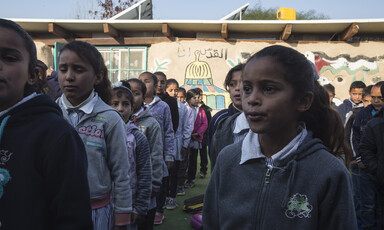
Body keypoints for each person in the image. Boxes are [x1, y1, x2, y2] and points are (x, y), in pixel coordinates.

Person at [203, 45, 356, 229]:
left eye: (268, 89)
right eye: (247, 88)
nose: (252, 99)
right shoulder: (228, 159)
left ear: (303, 101)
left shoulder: (329, 171)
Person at [0, 18, 92, 230]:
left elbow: (73, 218)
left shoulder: (56, 135)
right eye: (64, 69)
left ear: (33, 76)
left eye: (9, 58)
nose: (69, 77)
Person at [56, 41, 132, 230]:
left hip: (96, 211)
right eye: (63, 69)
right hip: (55, 210)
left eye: (78, 69)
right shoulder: (50, 113)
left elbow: (121, 172)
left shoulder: (110, 118)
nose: (69, 77)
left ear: (97, 77)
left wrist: (122, 217)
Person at [111, 82, 152, 230]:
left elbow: (145, 174)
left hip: (129, 206)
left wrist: (140, 207)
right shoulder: (100, 135)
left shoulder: (138, 138)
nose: (120, 109)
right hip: (104, 205)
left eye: (125, 104)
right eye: (114, 103)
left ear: (132, 108)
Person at [138, 72, 175, 225]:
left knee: (157, 182)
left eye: (147, 81)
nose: (143, 84)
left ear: (155, 85)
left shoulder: (163, 106)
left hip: (156, 154)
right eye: (140, 81)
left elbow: (168, 132)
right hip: (137, 155)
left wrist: (170, 155)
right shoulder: (133, 105)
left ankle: (158, 210)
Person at [126, 78, 163, 230]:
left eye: (136, 93)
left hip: (146, 185)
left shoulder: (150, 123)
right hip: (126, 187)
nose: (132, 97)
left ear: (143, 96)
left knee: (144, 221)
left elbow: (155, 155)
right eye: (128, 92)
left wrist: (153, 184)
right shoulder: (116, 121)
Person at [352, 81, 384, 230]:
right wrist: (363, 161)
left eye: (380, 98)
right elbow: (356, 139)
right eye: (374, 97)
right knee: (368, 205)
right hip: (368, 170)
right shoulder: (363, 115)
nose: (376, 101)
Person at [344, 85, 372, 229]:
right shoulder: (356, 115)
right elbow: (350, 138)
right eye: (367, 100)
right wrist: (355, 158)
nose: (371, 103)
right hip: (357, 164)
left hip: (374, 165)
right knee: (358, 196)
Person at [165, 79, 193, 201]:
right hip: (165, 142)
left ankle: (172, 196)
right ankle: (164, 195)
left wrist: (185, 145)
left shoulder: (182, 108)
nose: (174, 93)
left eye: (176, 90)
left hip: (177, 142)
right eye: (170, 90)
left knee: (175, 169)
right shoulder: (162, 105)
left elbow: (187, 127)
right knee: (164, 171)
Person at [208, 64, 244, 144]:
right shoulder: (219, 119)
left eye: (243, 83)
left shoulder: (260, 118)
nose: (237, 88)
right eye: (232, 84)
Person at [185, 89, 208, 189]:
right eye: (194, 98)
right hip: (185, 139)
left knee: (193, 159)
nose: (197, 99)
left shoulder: (201, 111)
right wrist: (188, 134)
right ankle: (181, 180)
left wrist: (197, 133)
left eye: (198, 97)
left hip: (195, 139)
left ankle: (191, 179)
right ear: (188, 99)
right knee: (184, 160)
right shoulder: (184, 109)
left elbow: (204, 124)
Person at [194, 87, 212, 178]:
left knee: (203, 154)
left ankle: (203, 170)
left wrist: (205, 134)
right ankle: (190, 173)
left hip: (203, 136)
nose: (199, 97)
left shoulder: (206, 109)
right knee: (192, 156)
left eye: (200, 95)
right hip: (193, 136)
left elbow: (208, 123)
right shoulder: (190, 107)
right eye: (197, 96)